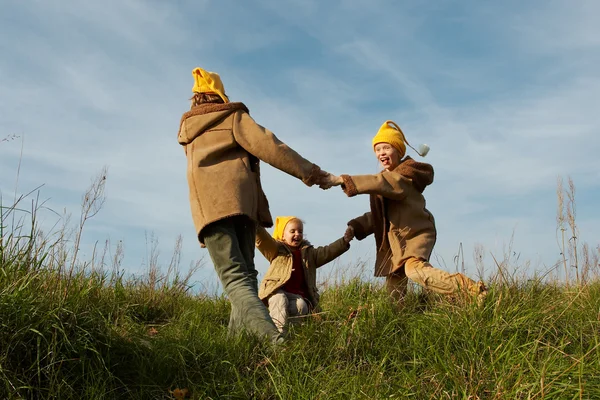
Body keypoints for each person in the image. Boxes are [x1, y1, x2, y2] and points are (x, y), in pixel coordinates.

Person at [177, 67, 331, 342]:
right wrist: (314, 174)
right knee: (244, 278)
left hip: (211, 211)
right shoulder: (233, 117)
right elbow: (272, 147)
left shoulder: (188, 132)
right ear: (220, 96)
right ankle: (237, 345)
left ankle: (274, 344)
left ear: (195, 100)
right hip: (243, 208)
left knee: (237, 280)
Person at [321, 120, 487, 304]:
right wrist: (357, 226)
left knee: (414, 270)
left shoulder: (404, 177)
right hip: (396, 242)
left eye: (386, 148)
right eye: (377, 149)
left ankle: (473, 289)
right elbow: (380, 215)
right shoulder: (388, 179)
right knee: (394, 295)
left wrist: (345, 180)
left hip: (414, 234)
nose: (381, 153)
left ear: (399, 151)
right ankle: (401, 323)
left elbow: (386, 183)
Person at [256, 216, 353, 333]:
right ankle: (276, 336)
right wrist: (256, 225)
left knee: (301, 306)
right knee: (279, 300)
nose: (297, 234)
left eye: (300, 231)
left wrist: (344, 241)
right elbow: (264, 240)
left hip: (295, 295)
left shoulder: (309, 253)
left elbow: (327, 252)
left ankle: (292, 336)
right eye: (292, 231)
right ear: (282, 235)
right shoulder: (276, 249)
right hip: (277, 289)